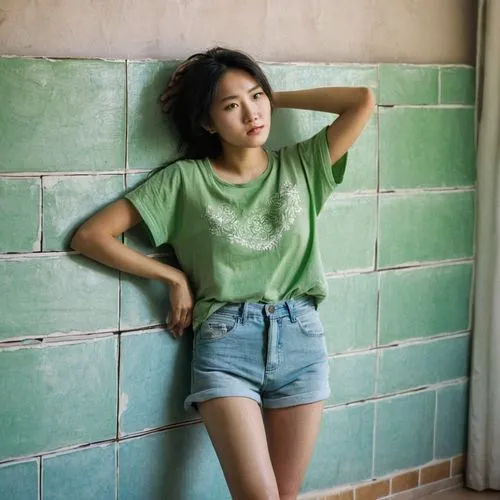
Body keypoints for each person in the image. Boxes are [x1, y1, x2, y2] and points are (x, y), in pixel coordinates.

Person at [71, 47, 375, 500]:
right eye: (232, 106)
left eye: (256, 97)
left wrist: (272, 95)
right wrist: (172, 278)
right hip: (227, 342)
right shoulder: (184, 181)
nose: (251, 113)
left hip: (302, 340)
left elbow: (362, 101)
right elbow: (91, 236)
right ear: (209, 123)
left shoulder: (303, 165)